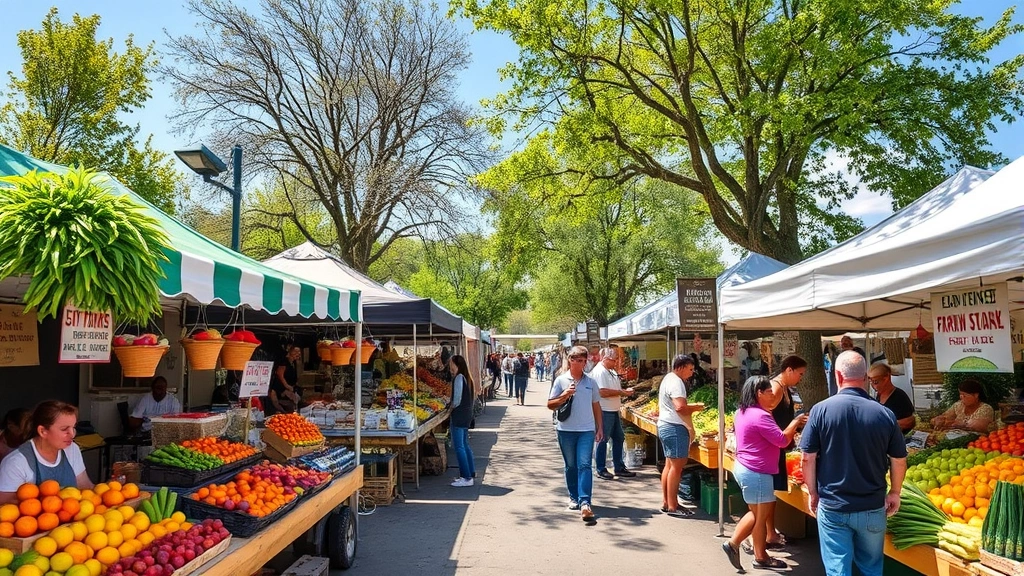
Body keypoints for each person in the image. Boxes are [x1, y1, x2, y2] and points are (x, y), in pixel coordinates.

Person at [800, 351, 907, 576]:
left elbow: (807, 457)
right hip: (872, 506)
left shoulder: (820, 411)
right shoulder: (885, 414)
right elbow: (898, 459)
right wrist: (895, 492)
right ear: (866, 378)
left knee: (838, 570)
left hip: (833, 505)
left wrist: (812, 492)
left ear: (838, 376)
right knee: (871, 568)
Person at [723, 376, 807, 571]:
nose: (773, 397)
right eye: (769, 393)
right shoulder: (761, 416)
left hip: (746, 468)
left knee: (759, 513)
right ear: (759, 393)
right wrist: (795, 422)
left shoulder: (741, 412)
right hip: (757, 472)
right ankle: (734, 544)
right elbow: (782, 441)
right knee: (759, 516)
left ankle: (760, 556)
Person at [547, 346, 604, 521]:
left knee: (585, 465)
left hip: (586, 430)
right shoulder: (561, 380)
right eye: (576, 360)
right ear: (570, 360)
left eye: (582, 360)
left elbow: (596, 405)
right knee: (570, 465)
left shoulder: (591, 382)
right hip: (566, 430)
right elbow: (550, 404)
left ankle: (585, 501)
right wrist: (564, 395)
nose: (580, 363)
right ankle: (574, 496)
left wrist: (599, 427)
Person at [759, 355, 808, 552]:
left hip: (778, 445)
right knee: (768, 494)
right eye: (800, 374)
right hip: (773, 446)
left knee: (771, 493)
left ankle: (771, 532)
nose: (801, 378)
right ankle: (766, 534)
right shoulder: (777, 387)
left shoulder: (784, 388)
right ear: (789, 370)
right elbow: (766, 415)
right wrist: (789, 428)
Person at [0, 401, 95, 501]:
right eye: (64, 429)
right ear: (42, 431)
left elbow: (85, 487)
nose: (72, 434)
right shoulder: (16, 463)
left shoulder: (72, 449)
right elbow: (6, 508)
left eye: (73, 427)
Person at [657, 355, 704, 517]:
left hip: (666, 425)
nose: (692, 373)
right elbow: (680, 407)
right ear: (680, 367)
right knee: (676, 468)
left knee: (669, 466)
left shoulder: (668, 379)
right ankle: (673, 506)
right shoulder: (676, 383)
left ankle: (667, 502)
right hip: (674, 427)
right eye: (690, 369)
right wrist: (695, 407)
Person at [591, 347, 636, 480]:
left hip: (613, 410)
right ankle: (600, 468)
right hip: (605, 410)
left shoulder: (610, 371)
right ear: (605, 359)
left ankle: (619, 466)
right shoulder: (600, 372)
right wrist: (622, 393)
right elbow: (602, 391)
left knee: (619, 438)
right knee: (602, 439)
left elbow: (612, 389)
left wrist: (622, 391)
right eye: (614, 360)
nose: (616, 362)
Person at [449, 354, 477, 487]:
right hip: (466, 415)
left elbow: (457, 400)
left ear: (456, 364)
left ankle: (466, 477)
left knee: (459, 446)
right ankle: (470, 473)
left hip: (459, 415)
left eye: (451, 364)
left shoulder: (459, 377)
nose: (450, 366)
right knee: (465, 445)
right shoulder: (467, 377)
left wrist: (450, 409)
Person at [930, 379, 995, 432]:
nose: (961, 397)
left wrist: (958, 424)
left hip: (977, 442)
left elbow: (978, 426)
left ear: (976, 395)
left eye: (964, 395)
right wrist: (939, 419)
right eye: (960, 394)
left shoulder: (986, 409)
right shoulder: (958, 405)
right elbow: (945, 417)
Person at [869, 363, 916, 433]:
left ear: (887, 378)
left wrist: (886, 425)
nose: (874, 387)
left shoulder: (899, 396)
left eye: (876, 382)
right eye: (871, 382)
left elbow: (911, 421)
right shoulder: (879, 396)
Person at [267, 345, 301, 416]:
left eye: (299, 352)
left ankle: (287, 415)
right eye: (296, 351)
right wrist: (287, 386)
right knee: (278, 404)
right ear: (290, 352)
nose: (298, 353)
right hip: (279, 387)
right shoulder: (284, 361)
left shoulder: (293, 363)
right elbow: (280, 374)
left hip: (288, 387)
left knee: (294, 401)